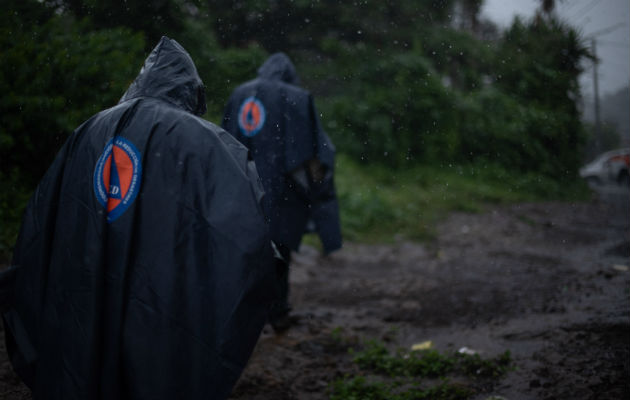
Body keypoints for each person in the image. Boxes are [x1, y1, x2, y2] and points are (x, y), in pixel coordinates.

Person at [1, 36, 275, 400]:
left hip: (83, 292)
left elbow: (40, 220)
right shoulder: (206, 141)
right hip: (158, 297)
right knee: (150, 368)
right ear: (191, 91)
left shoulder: (89, 130)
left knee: (84, 365)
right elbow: (241, 231)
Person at [222, 53, 342, 331]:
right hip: (281, 189)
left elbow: (225, 139)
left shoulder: (239, 93)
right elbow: (313, 151)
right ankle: (277, 313)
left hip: (244, 187)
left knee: (246, 252)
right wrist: (319, 187)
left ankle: (243, 316)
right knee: (280, 252)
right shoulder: (296, 97)